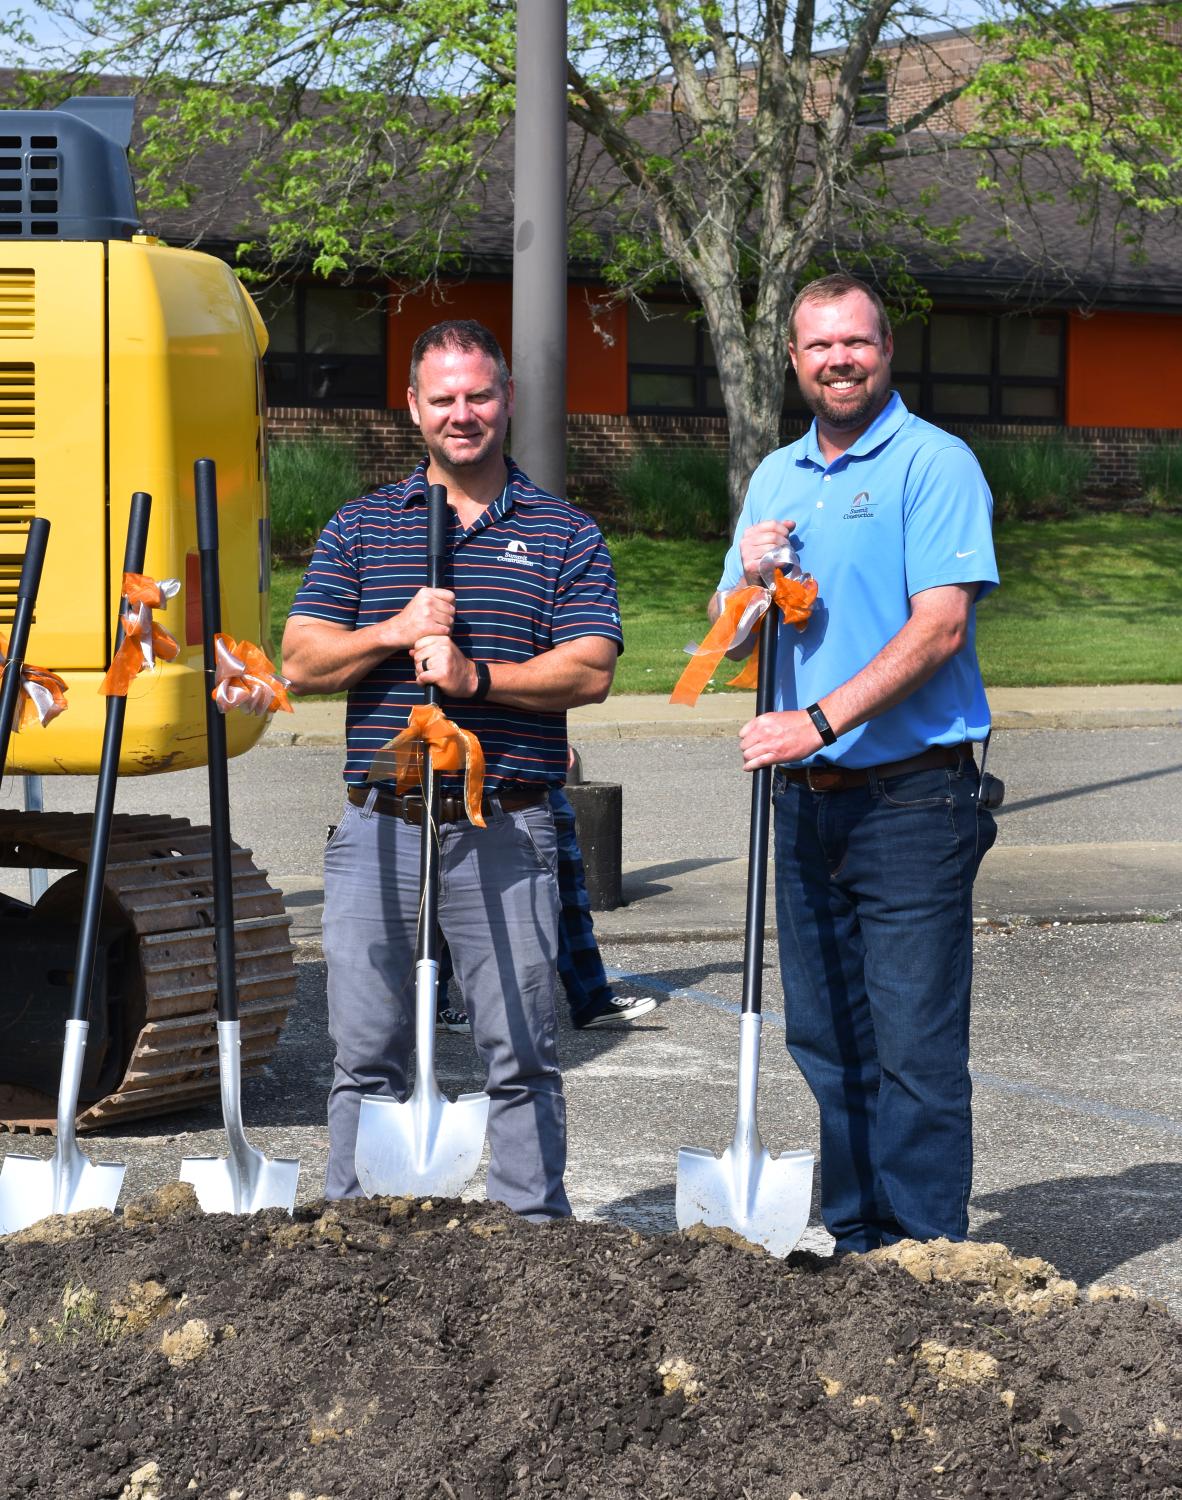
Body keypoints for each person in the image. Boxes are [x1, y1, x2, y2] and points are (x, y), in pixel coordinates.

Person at [282, 318, 623, 1221]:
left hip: (503, 826)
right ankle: (356, 1234)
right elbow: (300, 663)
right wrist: (394, 631)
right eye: (444, 399)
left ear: (506, 399)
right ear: (413, 407)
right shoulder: (360, 527)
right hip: (380, 827)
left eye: (479, 395)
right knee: (365, 1056)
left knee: (520, 1051)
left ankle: (528, 1239)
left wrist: (480, 678)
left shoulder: (564, 534)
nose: (462, 414)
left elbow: (590, 667)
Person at [713, 272, 999, 1254]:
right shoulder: (775, 479)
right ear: (794, 360)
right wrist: (751, 584)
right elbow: (728, 648)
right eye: (820, 346)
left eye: (857, 342)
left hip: (915, 798)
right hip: (804, 805)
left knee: (915, 1047)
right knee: (830, 1042)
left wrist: (820, 720)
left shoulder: (935, 463)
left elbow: (941, 627)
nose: (839, 359)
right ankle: (861, 1235)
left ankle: (927, 1263)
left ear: (886, 350)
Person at [436, 779, 657, 1033]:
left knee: (451, 892)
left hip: (514, 780)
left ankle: (591, 995)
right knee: (447, 890)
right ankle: (590, 996)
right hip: (491, 782)